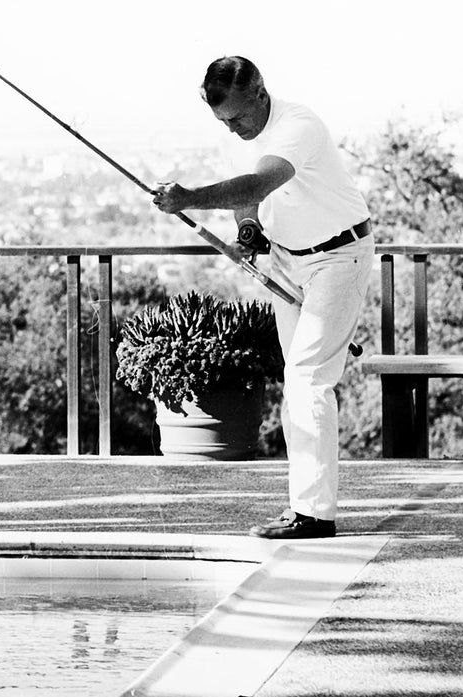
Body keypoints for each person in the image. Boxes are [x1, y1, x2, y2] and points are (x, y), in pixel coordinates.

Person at [152, 56, 372, 540]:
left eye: (238, 117)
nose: (234, 129)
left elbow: (258, 182)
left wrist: (188, 198)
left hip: (340, 256)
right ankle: (303, 507)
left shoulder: (298, 125)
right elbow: (247, 202)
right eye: (223, 122)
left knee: (308, 379)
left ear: (260, 93)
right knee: (298, 380)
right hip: (288, 260)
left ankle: (315, 515)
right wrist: (249, 231)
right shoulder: (237, 136)